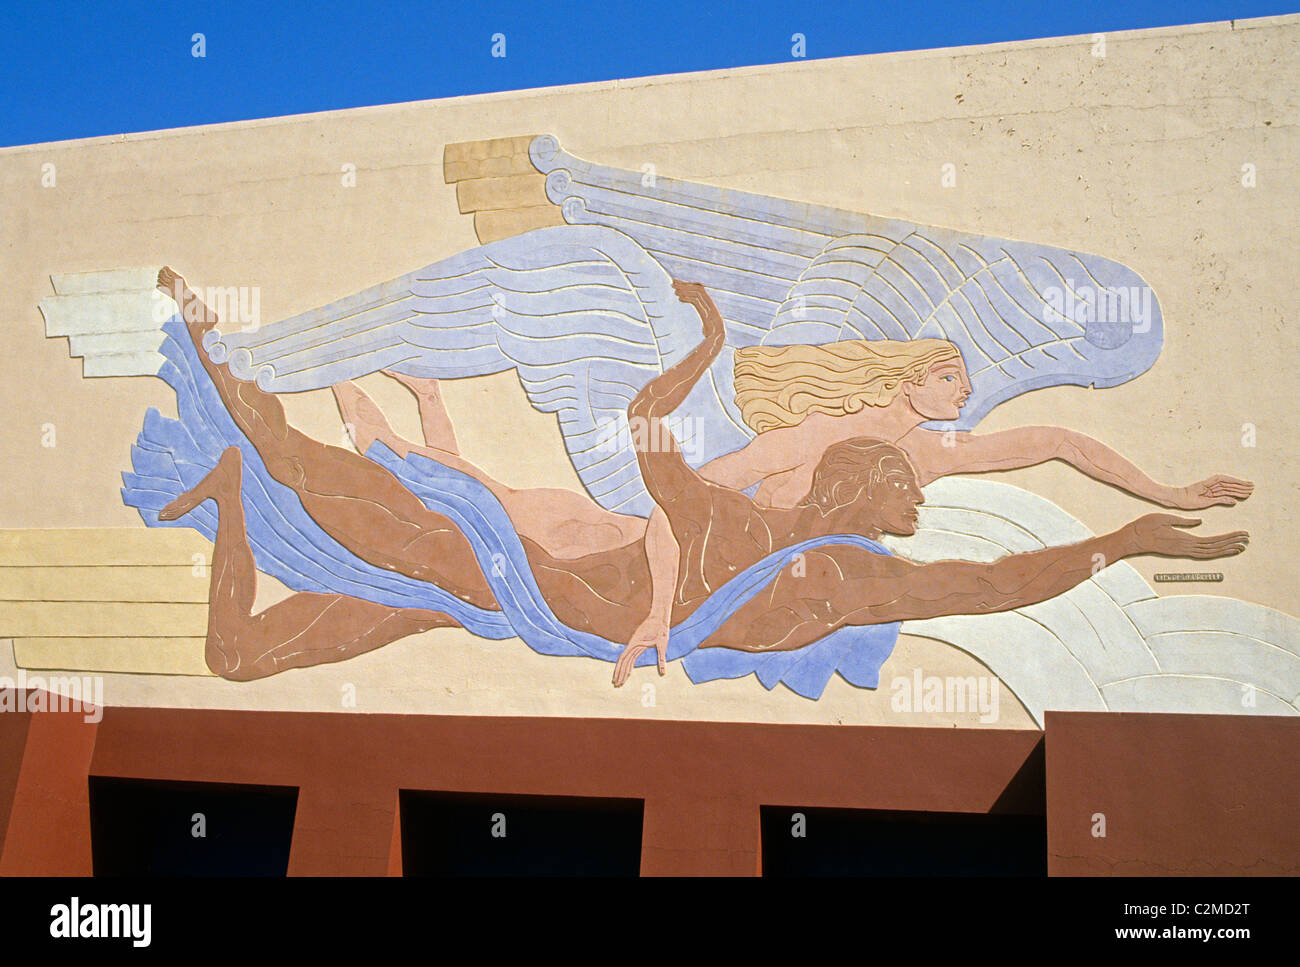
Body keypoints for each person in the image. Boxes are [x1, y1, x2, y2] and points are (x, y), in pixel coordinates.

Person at [156, 268, 1249, 684]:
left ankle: (238, 485)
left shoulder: (851, 581)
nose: (962, 401)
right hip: (536, 573)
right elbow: (661, 475)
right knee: (379, 502)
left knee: (241, 653)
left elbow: (1002, 564)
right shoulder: (776, 484)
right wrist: (704, 336)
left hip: (539, 605)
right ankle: (230, 378)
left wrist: (1143, 520)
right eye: (950, 371)